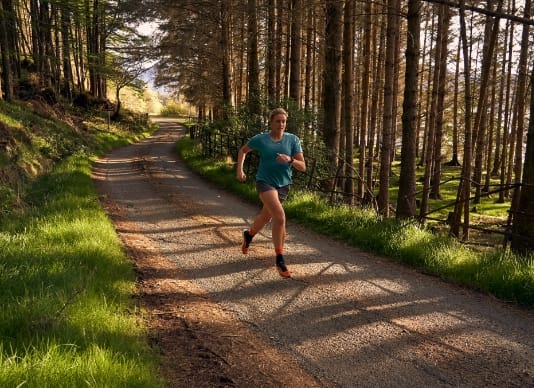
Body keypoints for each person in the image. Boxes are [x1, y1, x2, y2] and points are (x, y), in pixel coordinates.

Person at [236, 108, 306, 278]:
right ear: (271, 122)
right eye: (278, 121)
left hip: (284, 185)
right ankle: (280, 259)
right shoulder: (261, 139)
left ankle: (249, 234)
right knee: (280, 217)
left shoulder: (293, 140)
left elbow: (303, 167)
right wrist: (239, 170)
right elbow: (243, 151)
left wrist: (290, 159)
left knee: (266, 217)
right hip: (264, 182)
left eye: (283, 121)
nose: (281, 124)